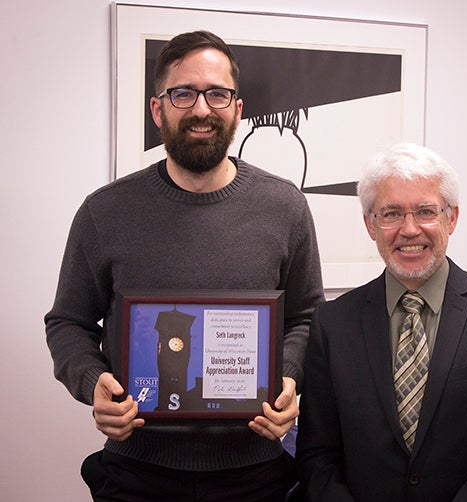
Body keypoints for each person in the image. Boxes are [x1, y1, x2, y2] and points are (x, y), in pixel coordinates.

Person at [45, 30, 324, 501]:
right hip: (137, 473)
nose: (201, 109)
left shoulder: (286, 208)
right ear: (158, 109)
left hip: (254, 474)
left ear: (237, 109)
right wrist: (94, 384)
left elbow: (307, 317)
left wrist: (288, 379)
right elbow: (67, 322)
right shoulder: (104, 212)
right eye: (183, 93)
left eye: (217, 94)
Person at [296, 143, 467, 501]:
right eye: (392, 213)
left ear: (452, 218)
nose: (409, 229)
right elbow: (316, 456)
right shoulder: (331, 324)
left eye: (426, 211)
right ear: (370, 224)